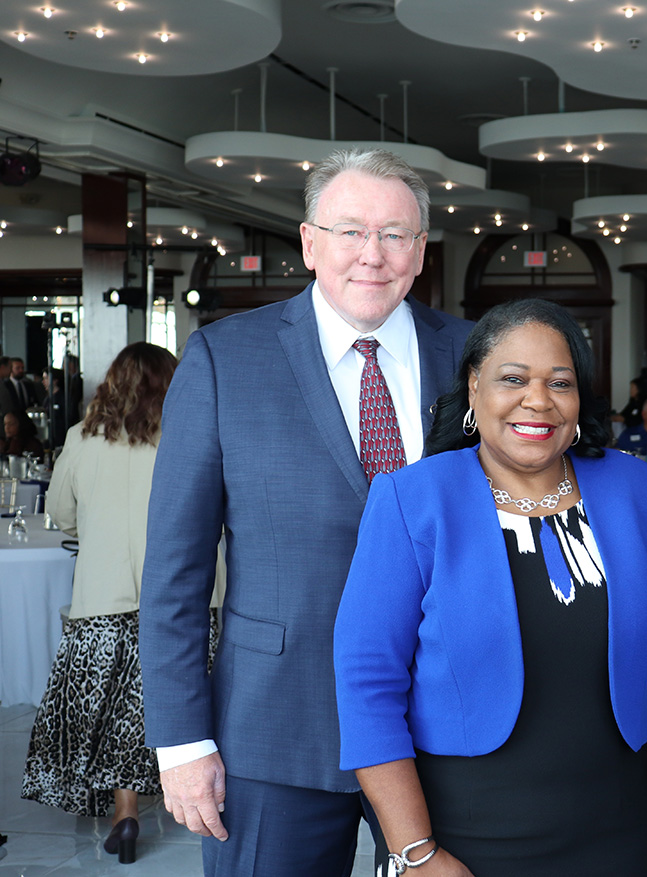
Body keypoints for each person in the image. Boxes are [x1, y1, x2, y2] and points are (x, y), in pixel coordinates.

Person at [139, 148, 472, 876]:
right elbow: (175, 567)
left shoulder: (474, 355)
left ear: (420, 251)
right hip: (275, 727)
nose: (372, 254)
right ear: (309, 242)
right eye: (350, 230)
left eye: (394, 234)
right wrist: (182, 740)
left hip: (450, 723)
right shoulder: (226, 358)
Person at [335, 298, 647, 877]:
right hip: (467, 836)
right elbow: (366, 684)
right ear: (474, 388)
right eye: (513, 379)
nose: (538, 400)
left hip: (620, 828)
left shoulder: (635, 487)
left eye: (560, 382)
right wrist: (415, 853)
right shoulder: (413, 499)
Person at [22, 343, 221, 865]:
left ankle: (125, 812)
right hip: (187, 596)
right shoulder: (192, 435)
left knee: (112, 712)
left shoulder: (81, 440)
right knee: (173, 702)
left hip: (103, 597)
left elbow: (61, 514)